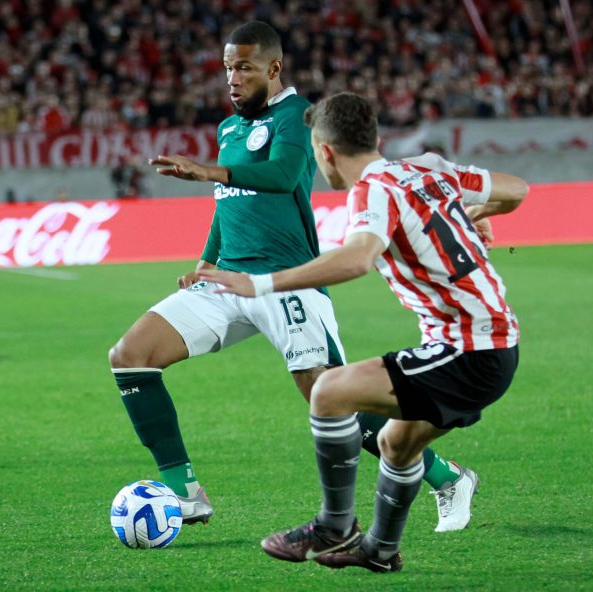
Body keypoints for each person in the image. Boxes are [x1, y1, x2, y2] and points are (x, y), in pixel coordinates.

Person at [108, 22, 466, 530]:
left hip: (286, 281)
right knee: (130, 357)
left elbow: (278, 178)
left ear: (274, 68)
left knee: (333, 400)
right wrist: (207, 258)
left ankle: (446, 476)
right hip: (228, 280)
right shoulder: (228, 128)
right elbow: (228, 203)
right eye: (228, 67)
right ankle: (183, 492)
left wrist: (209, 171)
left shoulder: (298, 117)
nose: (232, 78)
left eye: (244, 67)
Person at [201, 92, 528, 572]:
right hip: (491, 345)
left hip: (469, 348)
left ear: (325, 151)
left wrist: (259, 283)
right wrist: (477, 214)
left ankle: (334, 526)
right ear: (374, 137)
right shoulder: (428, 166)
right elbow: (516, 188)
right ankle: (380, 550)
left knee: (329, 390)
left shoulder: (372, 189)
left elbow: (357, 258)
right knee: (397, 443)